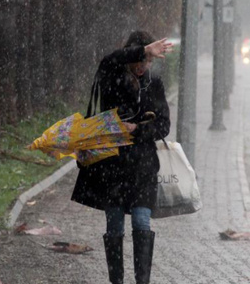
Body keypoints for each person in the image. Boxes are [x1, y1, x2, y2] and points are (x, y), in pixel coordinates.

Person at [71, 31, 175, 284]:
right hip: (112, 168)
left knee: (142, 223)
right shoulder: (111, 76)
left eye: (148, 61)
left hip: (143, 167)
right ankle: (116, 281)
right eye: (140, 59)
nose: (143, 66)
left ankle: (142, 281)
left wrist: (138, 129)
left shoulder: (154, 83)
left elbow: (163, 125)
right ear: (130, 56)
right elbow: (108, 59)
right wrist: (143, 50)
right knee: (114, 227)